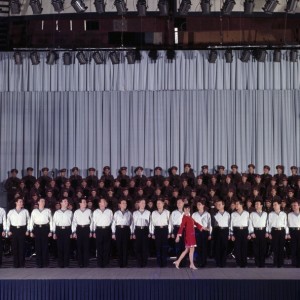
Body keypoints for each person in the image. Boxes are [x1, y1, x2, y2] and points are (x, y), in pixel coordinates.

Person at [173, 204, 203, 270]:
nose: (187, 210)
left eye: (188, 209)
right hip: (189, 236)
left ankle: (178, 262)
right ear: (184, 210)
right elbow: (181, 227)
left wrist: (202, 227)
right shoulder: (184, 217)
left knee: (187, 250)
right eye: (185, 209)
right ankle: (191, 264)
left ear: (189, 209)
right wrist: (178, 236)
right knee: (191, 250)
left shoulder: (189, 217)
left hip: (191, 235)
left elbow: (195, 223)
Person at [28, 198, 53, 267]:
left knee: (45, 246)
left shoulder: (48, 210)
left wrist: (51, 231)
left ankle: (45, 263)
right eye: (41, 201)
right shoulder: (34, 211)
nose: (43, 202)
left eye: (44, 201)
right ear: (38, 202)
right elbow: (31, 221)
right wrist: (31, 231)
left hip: (45, 228)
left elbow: (51, 221)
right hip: (37, 229)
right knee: (38, 246)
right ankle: (39, 263)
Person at [6, 197, 30, 268]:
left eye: (22, 202)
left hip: (22, 230)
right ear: (16, 202)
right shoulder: (11, 212)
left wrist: (28, 230)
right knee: (15, 247)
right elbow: (8, 222)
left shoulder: (25, 211)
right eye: (20, 201)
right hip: (14, 230)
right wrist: (8, 231)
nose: (21, 203)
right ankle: (16, 264)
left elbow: (29, 221)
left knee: (22, 247)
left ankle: (22, 264)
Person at [150, 198, 171, 268]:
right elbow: (151, 223)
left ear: (163, 204)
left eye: (159, 203)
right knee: (158, 247)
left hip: (164, 230)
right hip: (157, 230)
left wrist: (169, 232)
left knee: (164, 247)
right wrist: (152, 233)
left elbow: (169, 223)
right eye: (157, 203)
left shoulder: (167, 212)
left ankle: (164, 262)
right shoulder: (154, 212)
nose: (158, 205)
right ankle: (159, 263)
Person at [267, 199, 289, 268]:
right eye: (273, 205)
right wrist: (269, 233)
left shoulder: (284, 214)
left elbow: (286, 224)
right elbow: (269, 224)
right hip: (274, 231)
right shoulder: (270, 214)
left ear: (279, 205)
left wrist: (286, 233)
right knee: (275, 248)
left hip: (282, 231)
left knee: (281, 248)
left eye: (275, 205)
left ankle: (281, 263)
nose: (274, 206)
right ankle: (275, 263)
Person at [92, 198, 113, 267]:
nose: (105, 203)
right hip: (99, 230)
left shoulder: (109, 211)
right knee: (99, 247)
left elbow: (112, 222)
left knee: (106, 247)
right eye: (103, 201)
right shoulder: (96, 212)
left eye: (105, 201)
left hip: (107, 229)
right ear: (99, 203)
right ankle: (100, 262)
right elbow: (94, 222)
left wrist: (112, 232)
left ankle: (106, 262)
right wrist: (94, 231)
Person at [72, 198, 92, 267]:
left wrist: (91, 231)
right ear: (80, 203)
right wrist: (74, 232)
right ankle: (80, 262)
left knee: (86, 246)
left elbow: (92, 221)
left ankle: (86, 262)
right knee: (79, 246)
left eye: (85, 202)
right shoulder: (76, 212)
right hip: (79, 229)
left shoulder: (89, 211)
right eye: (83, 202)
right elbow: (74, 222)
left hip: (86, 229)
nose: (85, 203)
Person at [112, 199, 133, 268]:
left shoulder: (129, 213)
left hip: (126, 230)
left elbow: (131, 223)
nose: (125, 204)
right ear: (120, 205)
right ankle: (120, 263)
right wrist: (113, 233)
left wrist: (131, 233)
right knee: (119, 246)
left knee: (125, 247)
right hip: (118, 230)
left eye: (125, 203)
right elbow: (113, 223)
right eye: (123, 203)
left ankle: (125, 263)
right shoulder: (116, 213)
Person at [53, 198, 73, 268]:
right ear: (61, 203)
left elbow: (72, 223)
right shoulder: (57, 212)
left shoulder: (70, 212)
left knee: (67, 247)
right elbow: (54, 223)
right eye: (64, 201)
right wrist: (54, 233)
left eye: (67, 201)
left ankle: (66, 263)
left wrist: (72, 232)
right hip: (59, 230)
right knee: (60, 247)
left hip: (67, 230)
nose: (66, 202)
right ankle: (60, 263)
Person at [230, 199, 250, 268]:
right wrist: (232, 234)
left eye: (237, 204)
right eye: (235, 204)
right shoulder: (233, 214)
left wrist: (249, 233)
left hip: (244, 230)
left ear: (242, 205)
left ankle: (244, 263)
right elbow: (231, 224)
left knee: (244, 248)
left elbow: (249, 224)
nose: (236, 205)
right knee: (237, 248)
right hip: (236, 231)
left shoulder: (247, 213)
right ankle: (238, 263)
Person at [192, 198, 212, 267]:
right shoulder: (194, 214)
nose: (198, 206)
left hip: (205, 231)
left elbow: (209, 225)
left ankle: (204, 262)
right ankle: (198, 261)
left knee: (204, 247)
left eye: (199, 204)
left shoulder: (207, 214)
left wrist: (209, 234)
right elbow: (192, 225)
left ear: (203, 205)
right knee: (198, 247)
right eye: (197, 205)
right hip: (197, 231)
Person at [248, 199, 268, 267]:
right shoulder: (252, 214)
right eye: (255, 204)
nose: (256, 205)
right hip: (255, 231)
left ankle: (262, 263)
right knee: (256, 248)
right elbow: (250, 223)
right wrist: (251, 232)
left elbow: (267, 223)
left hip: (263, 231)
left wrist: (267, 232)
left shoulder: (265, 214)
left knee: (263, 247)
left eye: (257, 204)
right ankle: (257, 263)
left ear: (261, 205)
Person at [212, 199, 230, 267]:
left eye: (219, 204)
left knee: (224, 247)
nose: (218, 206)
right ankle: (218, 262)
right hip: (217, 230)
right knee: (217, 247)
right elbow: (212, 224)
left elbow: (229, 224)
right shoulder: (214, 214)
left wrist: (229, 233)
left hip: (225, 231)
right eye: (217, 204)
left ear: (223, 205)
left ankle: (223, 263)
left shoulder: (227, 214)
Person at [132, 199, 151, 267]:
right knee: (138, 247)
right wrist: (133, 233)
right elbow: (133, 223)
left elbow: (150, 223)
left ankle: (144, 262)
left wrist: (150, 232)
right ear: (139, 204)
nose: (143, 204)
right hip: (138, 230)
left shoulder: (148, 212)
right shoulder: (135, 213)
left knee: (145, 247)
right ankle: (139, 262)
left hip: (145, 230)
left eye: (144, 203)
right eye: (142, 203)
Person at [170, 198, 185, 266]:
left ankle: (184, 262)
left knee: (184, 246)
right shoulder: (174, 212)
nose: (179, 204)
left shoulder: (187, 212)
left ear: (183, 203)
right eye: (177, 203)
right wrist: (172, 232)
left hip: (184, 230)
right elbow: (171, 223)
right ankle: (178, 261)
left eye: (180, 202)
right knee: (178, 246)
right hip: (176, 229)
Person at [287, 199, 300, 267]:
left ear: (299, 206)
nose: (294, 207)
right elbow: (287, 224)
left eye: (295, 205)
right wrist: (288, 233)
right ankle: (294, 263)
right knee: (293, 248)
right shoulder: (289, 214)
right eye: (293, 206)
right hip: (292, 231)